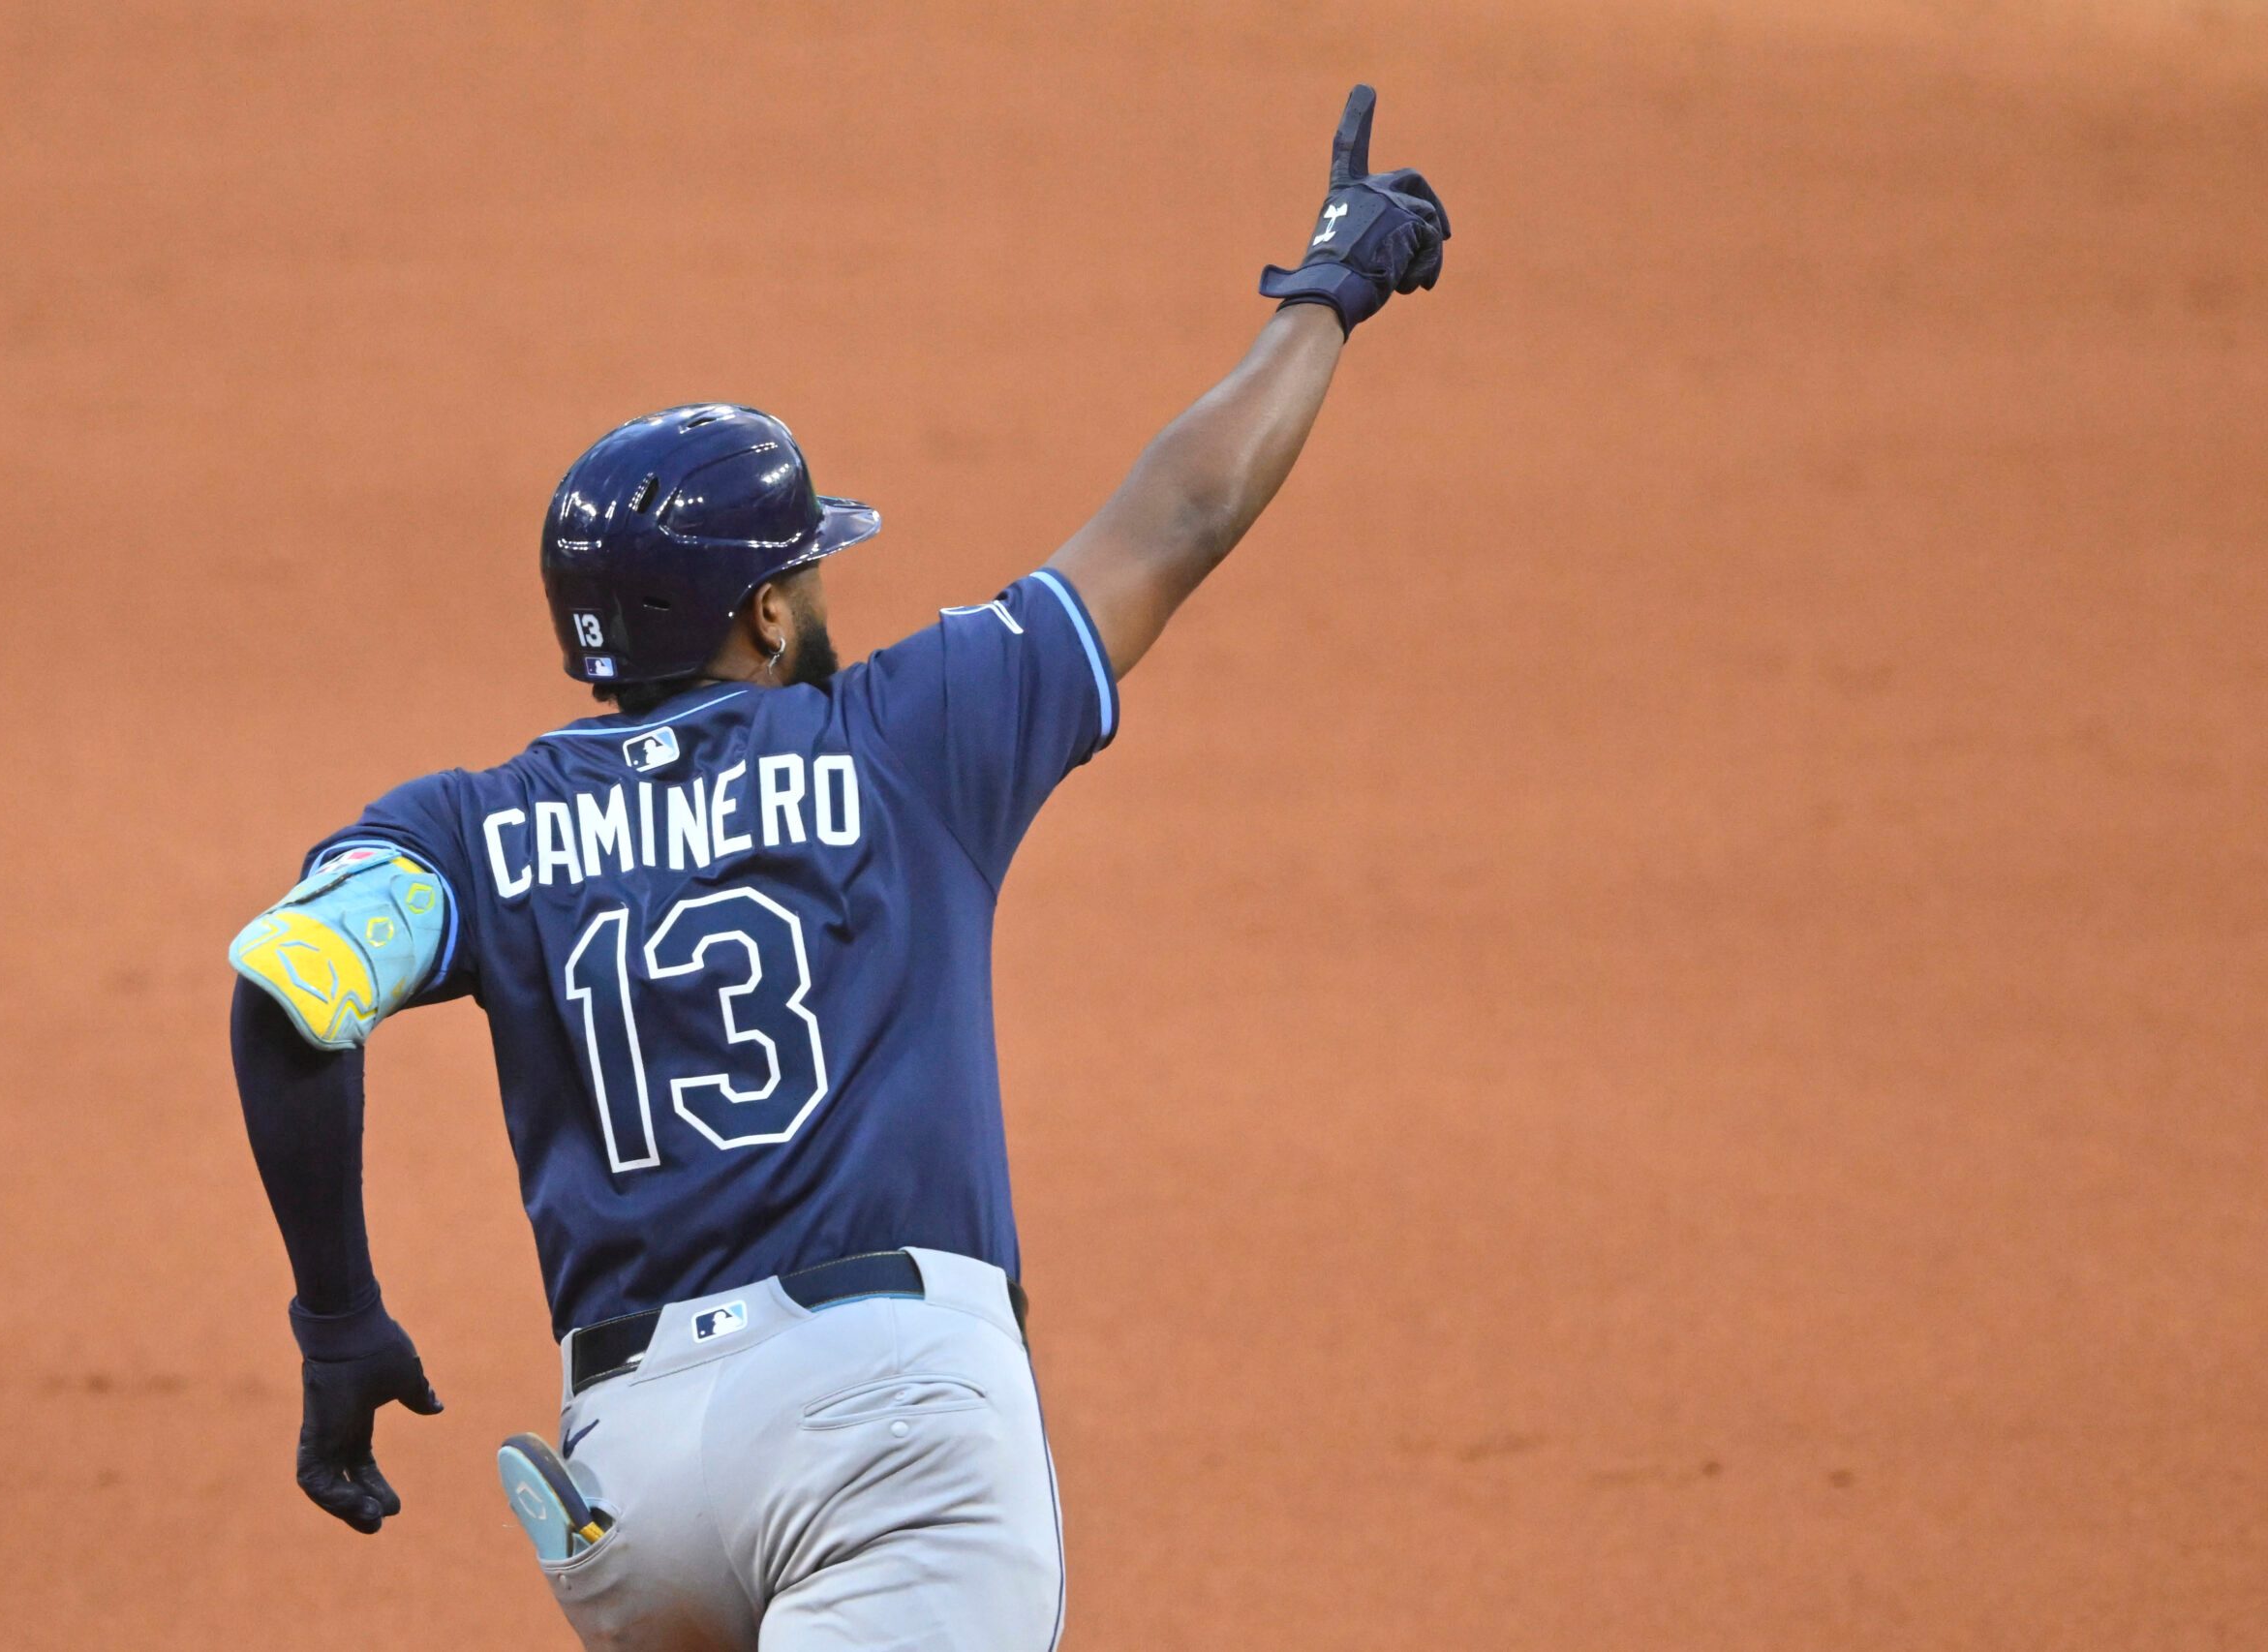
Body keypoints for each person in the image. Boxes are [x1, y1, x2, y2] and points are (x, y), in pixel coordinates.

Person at [228, 82, 1445, 1650]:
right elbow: (1182, 510)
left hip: (633, 1488)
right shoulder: (904, 738)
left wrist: (337, 1317)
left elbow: (291, 987)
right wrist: (1329, 294)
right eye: (808, 566)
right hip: (887, 1439)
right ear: (762, 619)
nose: (821, 591)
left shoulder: (468, 828)